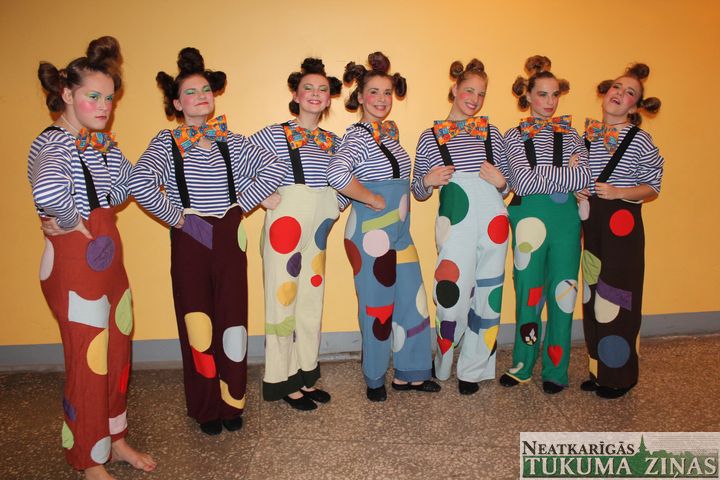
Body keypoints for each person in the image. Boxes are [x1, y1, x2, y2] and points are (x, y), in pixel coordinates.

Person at [129, 48, 287, 434]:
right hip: (191, 237)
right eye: (190, 92)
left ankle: (232, 402)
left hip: (230, 234)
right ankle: (205, 407)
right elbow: (139, 182)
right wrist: (177, 218)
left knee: (233, 321)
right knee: (197, 323)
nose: (200, 96)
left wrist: (243, 203)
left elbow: (276, 167)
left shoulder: (231, 140)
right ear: (176, 103)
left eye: (205, 90)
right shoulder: (167, 142)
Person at [29, 36, 156, 480]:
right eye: (93, 97)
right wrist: (69, 219)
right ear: (67, 94)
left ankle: (115, 439)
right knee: (88, 361)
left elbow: (126, 187)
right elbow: (49, 191)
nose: (104, 106)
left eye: (109, 98)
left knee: (116, 355)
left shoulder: (98, 143)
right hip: (75, 269)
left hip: (108, 266)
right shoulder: (54, 144)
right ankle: (88, 458)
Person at [328, 51, 440, 402]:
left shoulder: (389, 135)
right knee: (376, 307)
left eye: (387, 93)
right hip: (370, 234)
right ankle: (375, 376)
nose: (381, 99)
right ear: (360, 97)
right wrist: (370, 198)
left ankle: (411, 373)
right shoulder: (357, 136)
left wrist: (425, 181)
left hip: (400, 233)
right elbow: (336, 173)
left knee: (412, 300)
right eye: (374, 92)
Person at [411, 59, 510, 395]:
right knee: (450, 294)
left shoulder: (492, 133)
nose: (474, 99)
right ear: (454, 89)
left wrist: (502, 182)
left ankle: (473, 369)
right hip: (455, 220)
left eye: (481, 94)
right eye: (469, 90)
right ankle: (443, 362)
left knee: (488, 293)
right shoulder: (430, 136)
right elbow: (418, 190)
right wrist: (428, 180)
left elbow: (507, 186)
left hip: (494, 218)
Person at [249, 58, 343, 411]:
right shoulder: (274, 134)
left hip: (316, 231)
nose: (315, 94)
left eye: (322, 89)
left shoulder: (333, 141)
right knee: (282, 301)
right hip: (285, 229)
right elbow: (236, 163)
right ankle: (282, 380)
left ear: (329, 98)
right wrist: (260, 194)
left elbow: (345, 180)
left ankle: (306, 374)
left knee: (310, 304)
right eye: (308, 88)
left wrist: (335, 206)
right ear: (295, 94)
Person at [500, 55, 591, 394]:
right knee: (529, 293)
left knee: (564, 294)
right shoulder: (513, 135)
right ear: (528, 96)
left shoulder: (572, 133)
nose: (550, 102)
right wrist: (567, 173)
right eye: (542, 94)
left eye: (555, 95)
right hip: (528, 219)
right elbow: (522, 184)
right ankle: (522, 364)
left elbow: (585, 176)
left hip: (567, 221)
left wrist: (547, 174)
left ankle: (556, 369)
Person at [577, 63, 663, 399]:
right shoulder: (586, 137)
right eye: (617, 87)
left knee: (617, 299)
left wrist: (618, 192)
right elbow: (578, 178)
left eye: (630, 93)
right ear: (605, 91)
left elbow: (652, 186)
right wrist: (577, 187)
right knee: (592, 297)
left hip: (622, 225)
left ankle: (619, 377)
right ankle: (599, 370)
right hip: (591, 224)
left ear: (635, 106)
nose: (620, 94)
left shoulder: (640, 139)